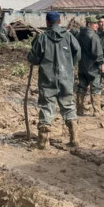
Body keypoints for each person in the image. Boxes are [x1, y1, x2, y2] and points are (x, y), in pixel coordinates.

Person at [27, 11, 81, 149]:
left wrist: (36, 59)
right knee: (68, 105)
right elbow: (78, 53)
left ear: (47, 22)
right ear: (59, 21)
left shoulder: (42, 38)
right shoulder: (69, 36)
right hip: (66, 78)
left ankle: (42, 142)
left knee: (47, 106)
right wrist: (69, 65)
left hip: (47, 78)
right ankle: (74, 138)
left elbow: (33, 58)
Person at [76, 17, 104, 115]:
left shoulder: (79, 35)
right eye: (94, 23)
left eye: (97, 23)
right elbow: (97, 52)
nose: (97, 25)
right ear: (89, 24)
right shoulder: (93, 36)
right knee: (96, 88)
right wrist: (101, 64)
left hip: (82, 65)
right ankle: (97, 111)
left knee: (81, 87)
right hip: (92, 66)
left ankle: (79, 110)